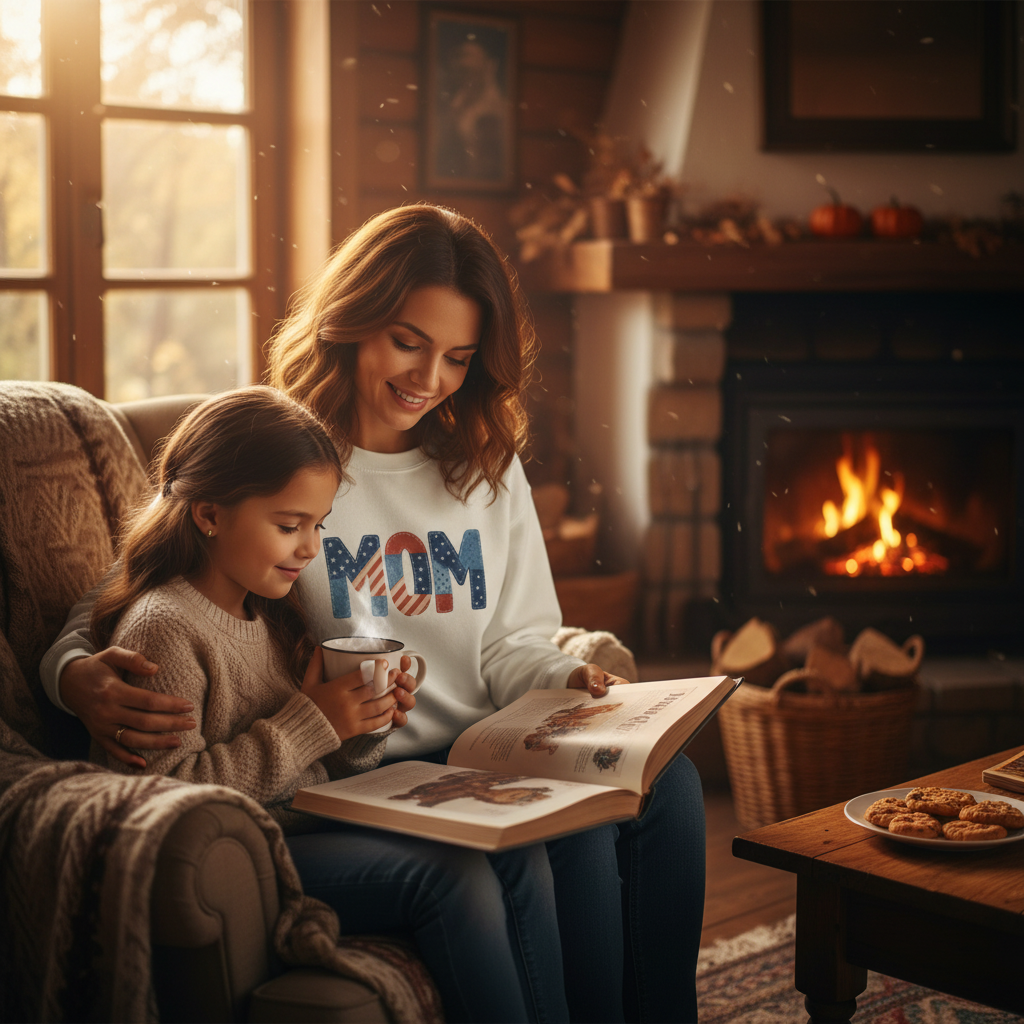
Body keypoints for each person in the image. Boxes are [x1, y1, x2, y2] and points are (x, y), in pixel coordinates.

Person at [41, 204, 706, 1023]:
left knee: (670, 782)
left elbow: (514, 641)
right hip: (369, 772)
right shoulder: (285, 458)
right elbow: (123, 592)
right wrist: (75, 676)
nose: (429, 379)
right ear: (350, 323)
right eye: (407, 342)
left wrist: (565, 674)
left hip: (495, 749)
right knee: (566, 835)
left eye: (458, 357)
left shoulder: (484, 468)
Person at [77, 384, 563, 1023]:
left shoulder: (270, 613)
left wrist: (363, 724)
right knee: (454, 877)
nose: (309, 550)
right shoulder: (164, 628)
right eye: (288, 526)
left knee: (516, 846)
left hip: (312, 822)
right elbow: (167, 806)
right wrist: (312, 723)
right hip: (257, 852)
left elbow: (317, 768)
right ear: (209, 514)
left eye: (318, 526)